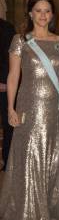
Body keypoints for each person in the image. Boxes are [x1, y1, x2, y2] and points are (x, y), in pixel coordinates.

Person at [0, 0, 59, 220]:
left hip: (57, 110)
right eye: (38, 10)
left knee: (54, 158)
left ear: (53, 14)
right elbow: (13, 76)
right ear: (30, 13)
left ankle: (51, 210)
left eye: (47, 11)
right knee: (31, 158)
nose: (43, 15)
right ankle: (28, 214)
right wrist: (10, 108)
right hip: (29, 108)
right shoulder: (21, 41)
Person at [0, 18, 15, 171]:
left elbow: (10, 58)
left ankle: (7, 161)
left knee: (8, 124)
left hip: (3, 87)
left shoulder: (7, 28)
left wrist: (4, 81)